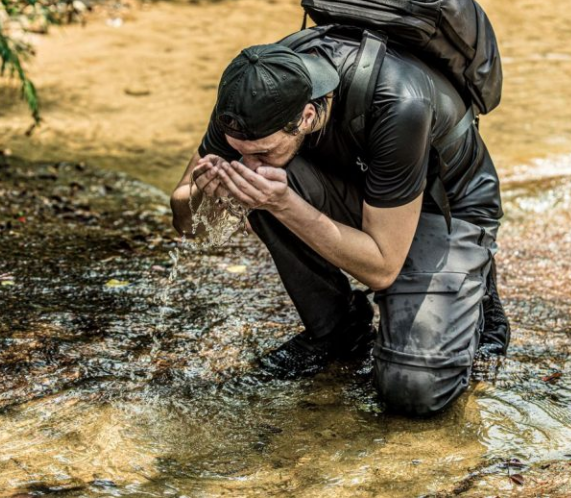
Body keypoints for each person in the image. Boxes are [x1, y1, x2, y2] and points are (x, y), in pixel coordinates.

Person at [170, 26, 509, 416]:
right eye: (239, 152)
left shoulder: (399, 102)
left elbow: (382, 268)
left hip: (446, 203)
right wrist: (202, 192)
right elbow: (185, 223)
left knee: (415, 389)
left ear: (308, 115)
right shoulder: (249, 97)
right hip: (361, 181)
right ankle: (337, 333)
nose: (248, 163)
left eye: (263, 151)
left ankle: (475, 281)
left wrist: (282, 204)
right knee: (265, 182)